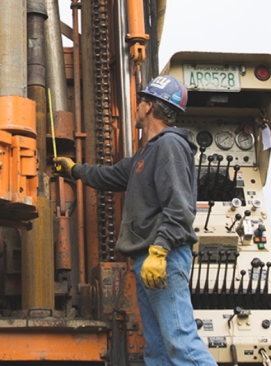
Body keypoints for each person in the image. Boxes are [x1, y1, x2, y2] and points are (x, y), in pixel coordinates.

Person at [54, 75, 216, 366]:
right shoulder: (147, 152)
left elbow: (180, 209)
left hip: (163, 257)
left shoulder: (170, 146)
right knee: (157, 351)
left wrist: (160, 249)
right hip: (149, 259)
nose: (137, 105)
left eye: (141, 100)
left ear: (151, 106)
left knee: (181, 344)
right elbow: (109, 176)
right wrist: (74, 170)